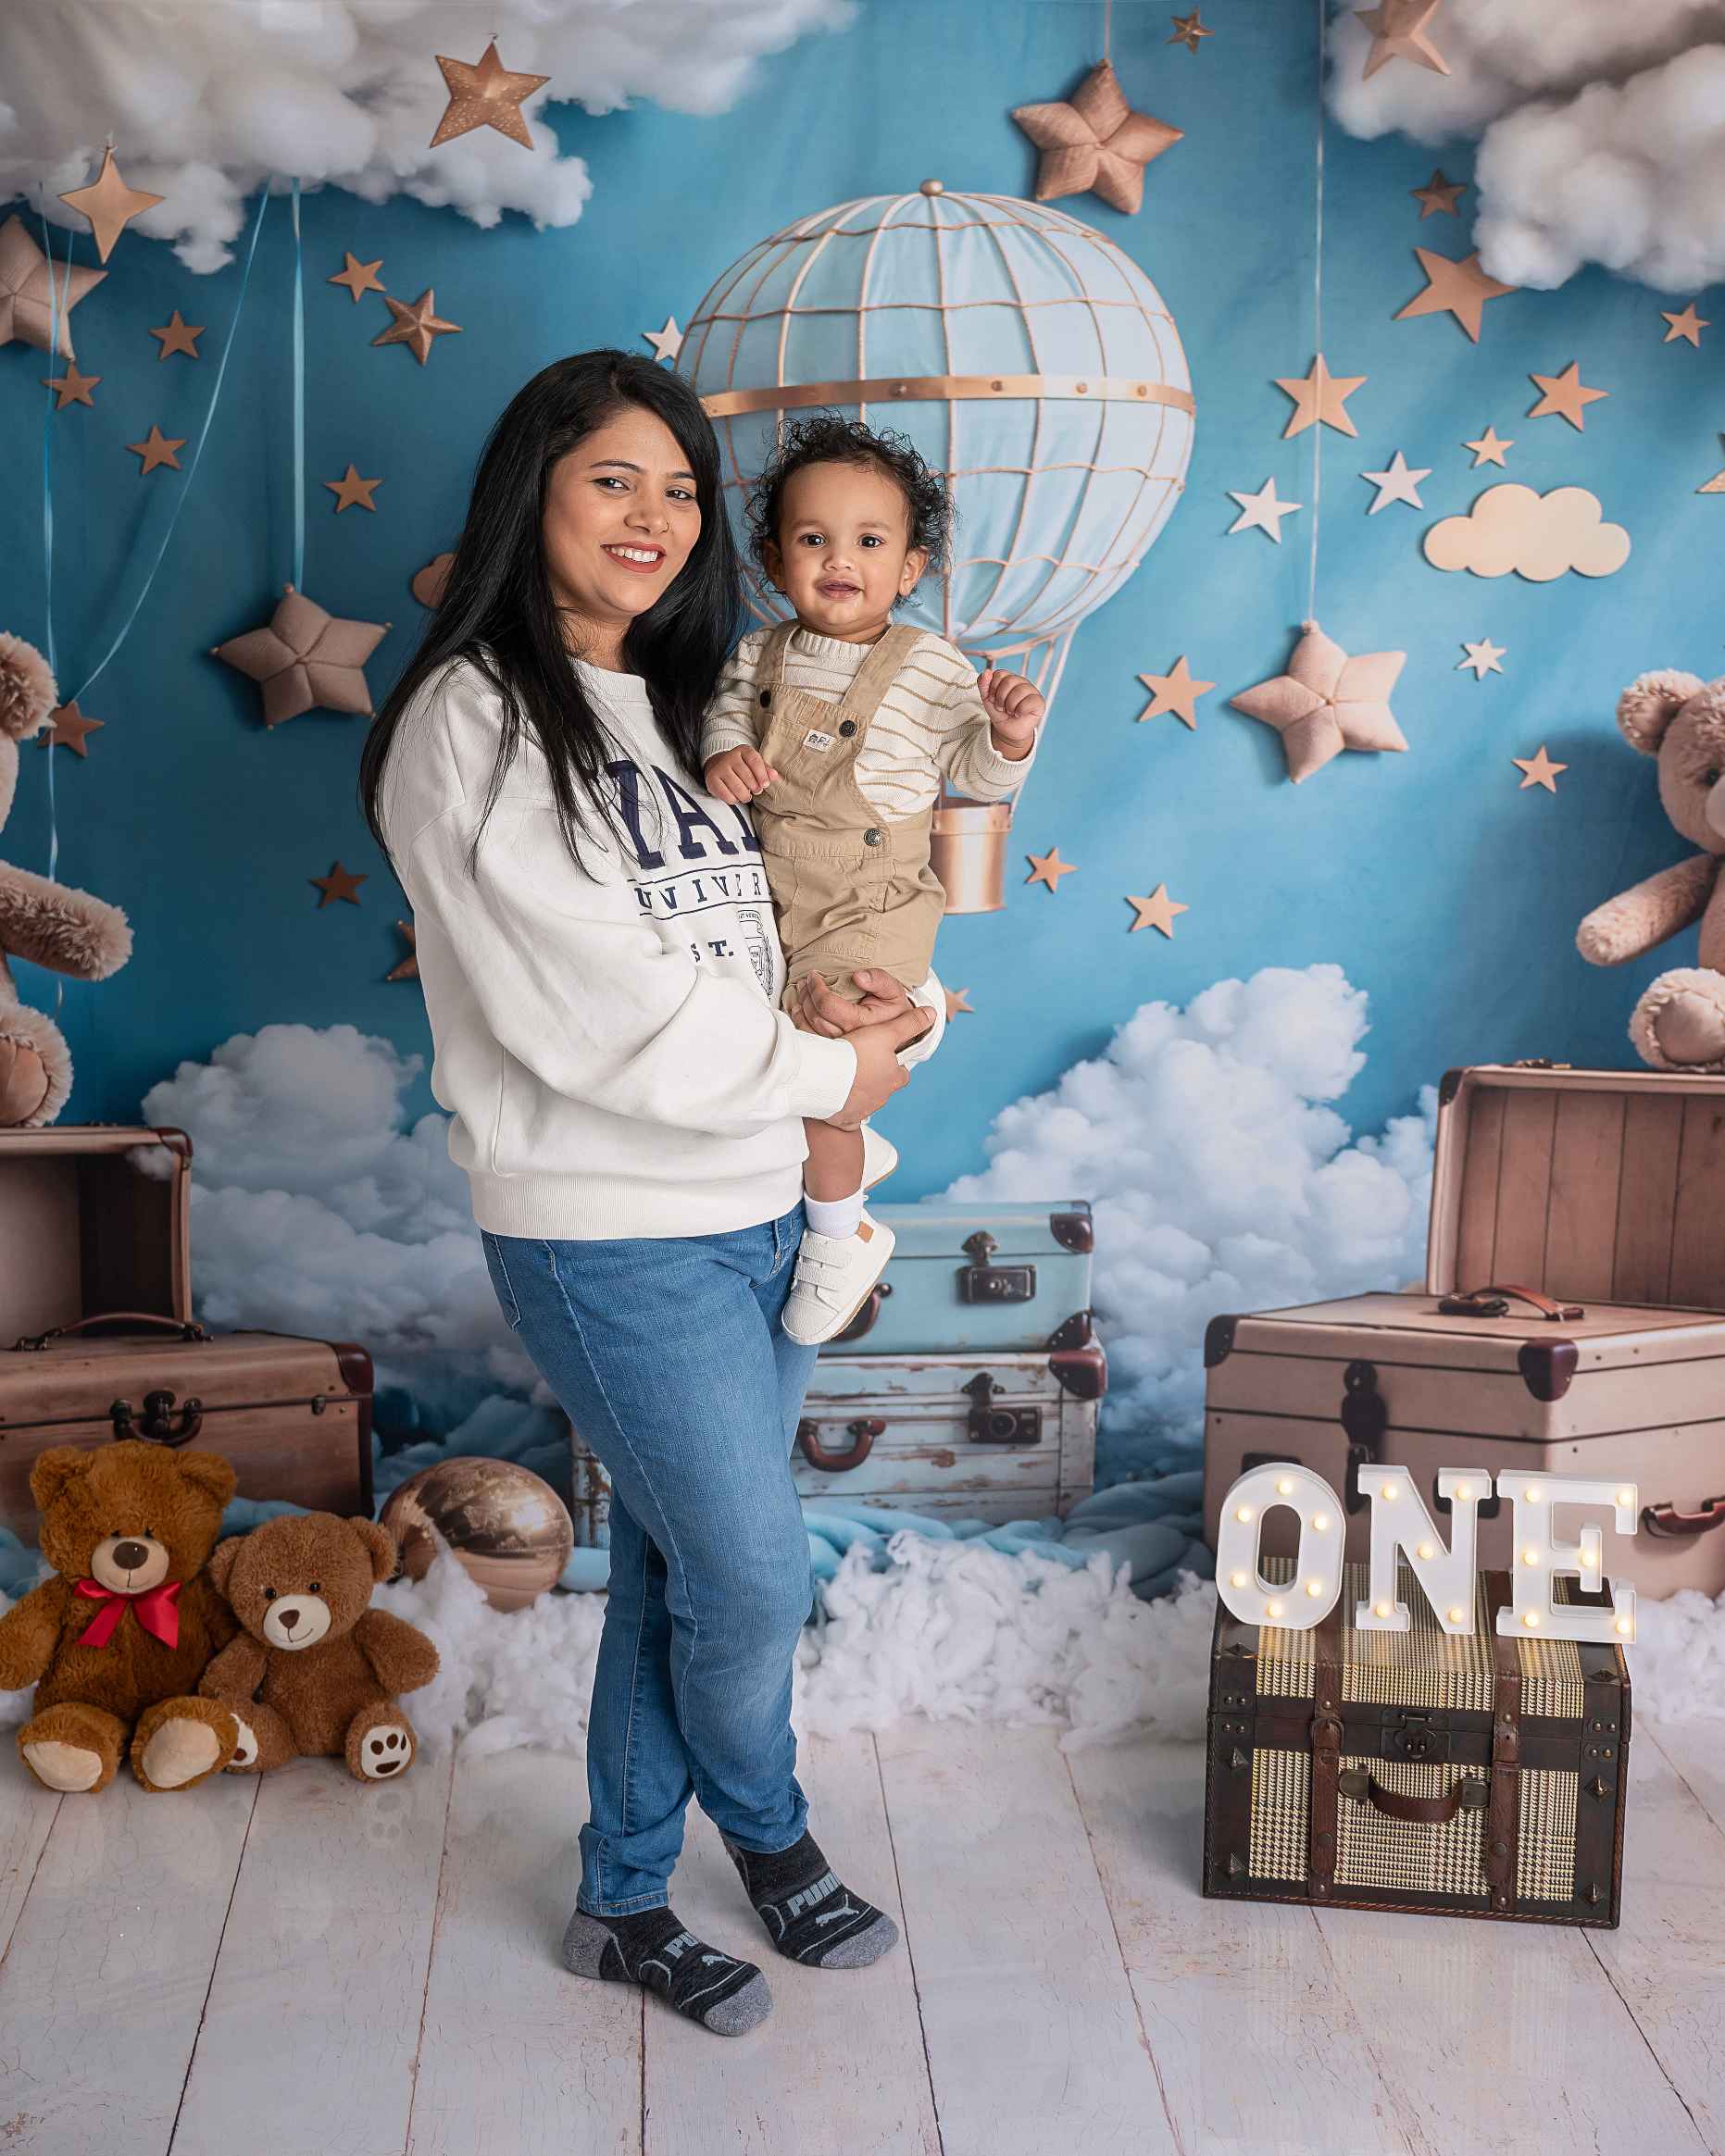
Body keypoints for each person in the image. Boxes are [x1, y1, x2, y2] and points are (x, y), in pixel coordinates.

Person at [359, 351, 943, 2038]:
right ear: (529, 490)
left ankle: (624, 1889)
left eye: (681, 485)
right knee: (751, 1571)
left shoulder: (692, 708)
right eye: (612, 477)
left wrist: (857, 1024)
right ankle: (765, 1828)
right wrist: (836, 1079)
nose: (654, 515)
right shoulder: (471, 717)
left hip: (762, 1198)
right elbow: (596, 1013)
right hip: (612, 1225)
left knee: (692, 1564)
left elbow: (766, 934)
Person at [701, 414, 1044, 1345]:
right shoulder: (755, 657)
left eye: (868, 540)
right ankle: (840, 1163)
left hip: (870, 901)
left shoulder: (929, 668)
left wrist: (1008, 735)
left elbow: (975, 774)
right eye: (813, 539)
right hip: (778, 897)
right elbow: (725, 720)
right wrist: (726, 753)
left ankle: (837, 1230)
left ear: (911, 567)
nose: (838, 559)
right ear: (774, 563)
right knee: (761, 1063)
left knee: (831, 1044)